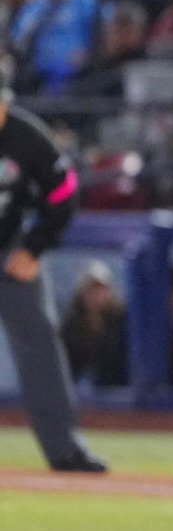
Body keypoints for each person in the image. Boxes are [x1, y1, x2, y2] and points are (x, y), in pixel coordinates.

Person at [0, 59, 105, 471]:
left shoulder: (26, 138)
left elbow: (64, 191)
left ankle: (64, 448)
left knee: (41, 344)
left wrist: (35, 246)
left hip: (10, 252)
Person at [60, 259, 128, 390]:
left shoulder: (124, 322)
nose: (96, 297)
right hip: (82, 395)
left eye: (100, 290)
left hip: (120, 393)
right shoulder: (70, 326)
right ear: (80, 295)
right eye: (90, 291)